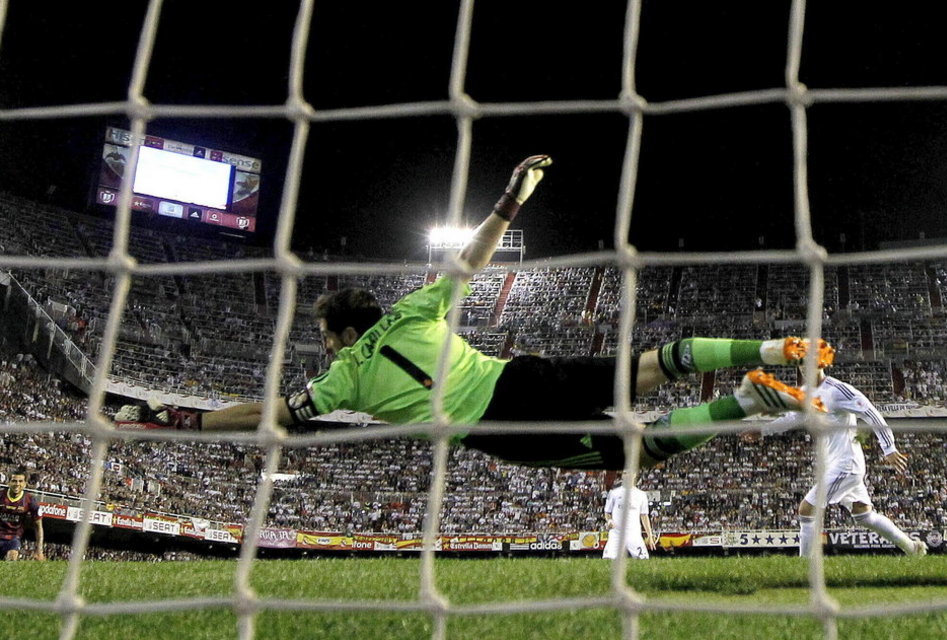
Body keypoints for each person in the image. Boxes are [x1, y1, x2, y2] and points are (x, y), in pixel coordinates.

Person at [116, 155, 834, 470]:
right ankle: (762, 353)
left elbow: (269, 414)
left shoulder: (341, 383)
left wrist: (183, 419)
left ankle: (741, 402)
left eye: (325, 337)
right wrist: (511, 199)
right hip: (520, 376)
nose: (327, 347)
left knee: (634, 449)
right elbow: (473, 260)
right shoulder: (412, 310)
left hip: (494, 426)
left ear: (338, 335)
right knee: (648, 365)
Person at [744, 367, 927, 557]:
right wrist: (763, 430)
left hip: (847, 464)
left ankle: (803, 568)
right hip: (834, 463)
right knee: (864, 515)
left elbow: (871, 413)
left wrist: (889, 448)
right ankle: (913, 548)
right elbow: (793, 417)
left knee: (806, 510)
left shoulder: (838, 391)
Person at [603, 474, 656, 559]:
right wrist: (609, 521)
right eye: (624, 473)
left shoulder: (641, 495)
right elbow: (607, 512)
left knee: (643, 560)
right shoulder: (614, 493)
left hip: (634, 534)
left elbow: (644, 516)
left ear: (634, 475)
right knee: (608, 560)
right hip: (616, 533)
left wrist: (649, 535)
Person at [1, 467, 45, 561]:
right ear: (8, 482)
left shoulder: (29, 500)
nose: (17, 484)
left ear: (25, 484)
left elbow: (38, 526)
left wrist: (39, 551)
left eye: (20, 481)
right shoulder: (1, 496)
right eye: (14, 481)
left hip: (12, 538)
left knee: (12, 558)